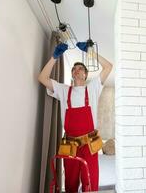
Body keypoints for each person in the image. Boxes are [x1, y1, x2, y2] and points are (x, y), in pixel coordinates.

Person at [38, 42, 113, 192]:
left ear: (85, 74)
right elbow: (42, 78)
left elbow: (109, 66)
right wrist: (54, 57)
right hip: (70, 143)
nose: (76, 70)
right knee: (70, 183)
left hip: (90, 143)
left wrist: (91, 52)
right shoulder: (63, 90)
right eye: (74, 69)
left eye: (80, 69)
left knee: (91, 183)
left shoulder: (93, 88)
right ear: (72, 74)